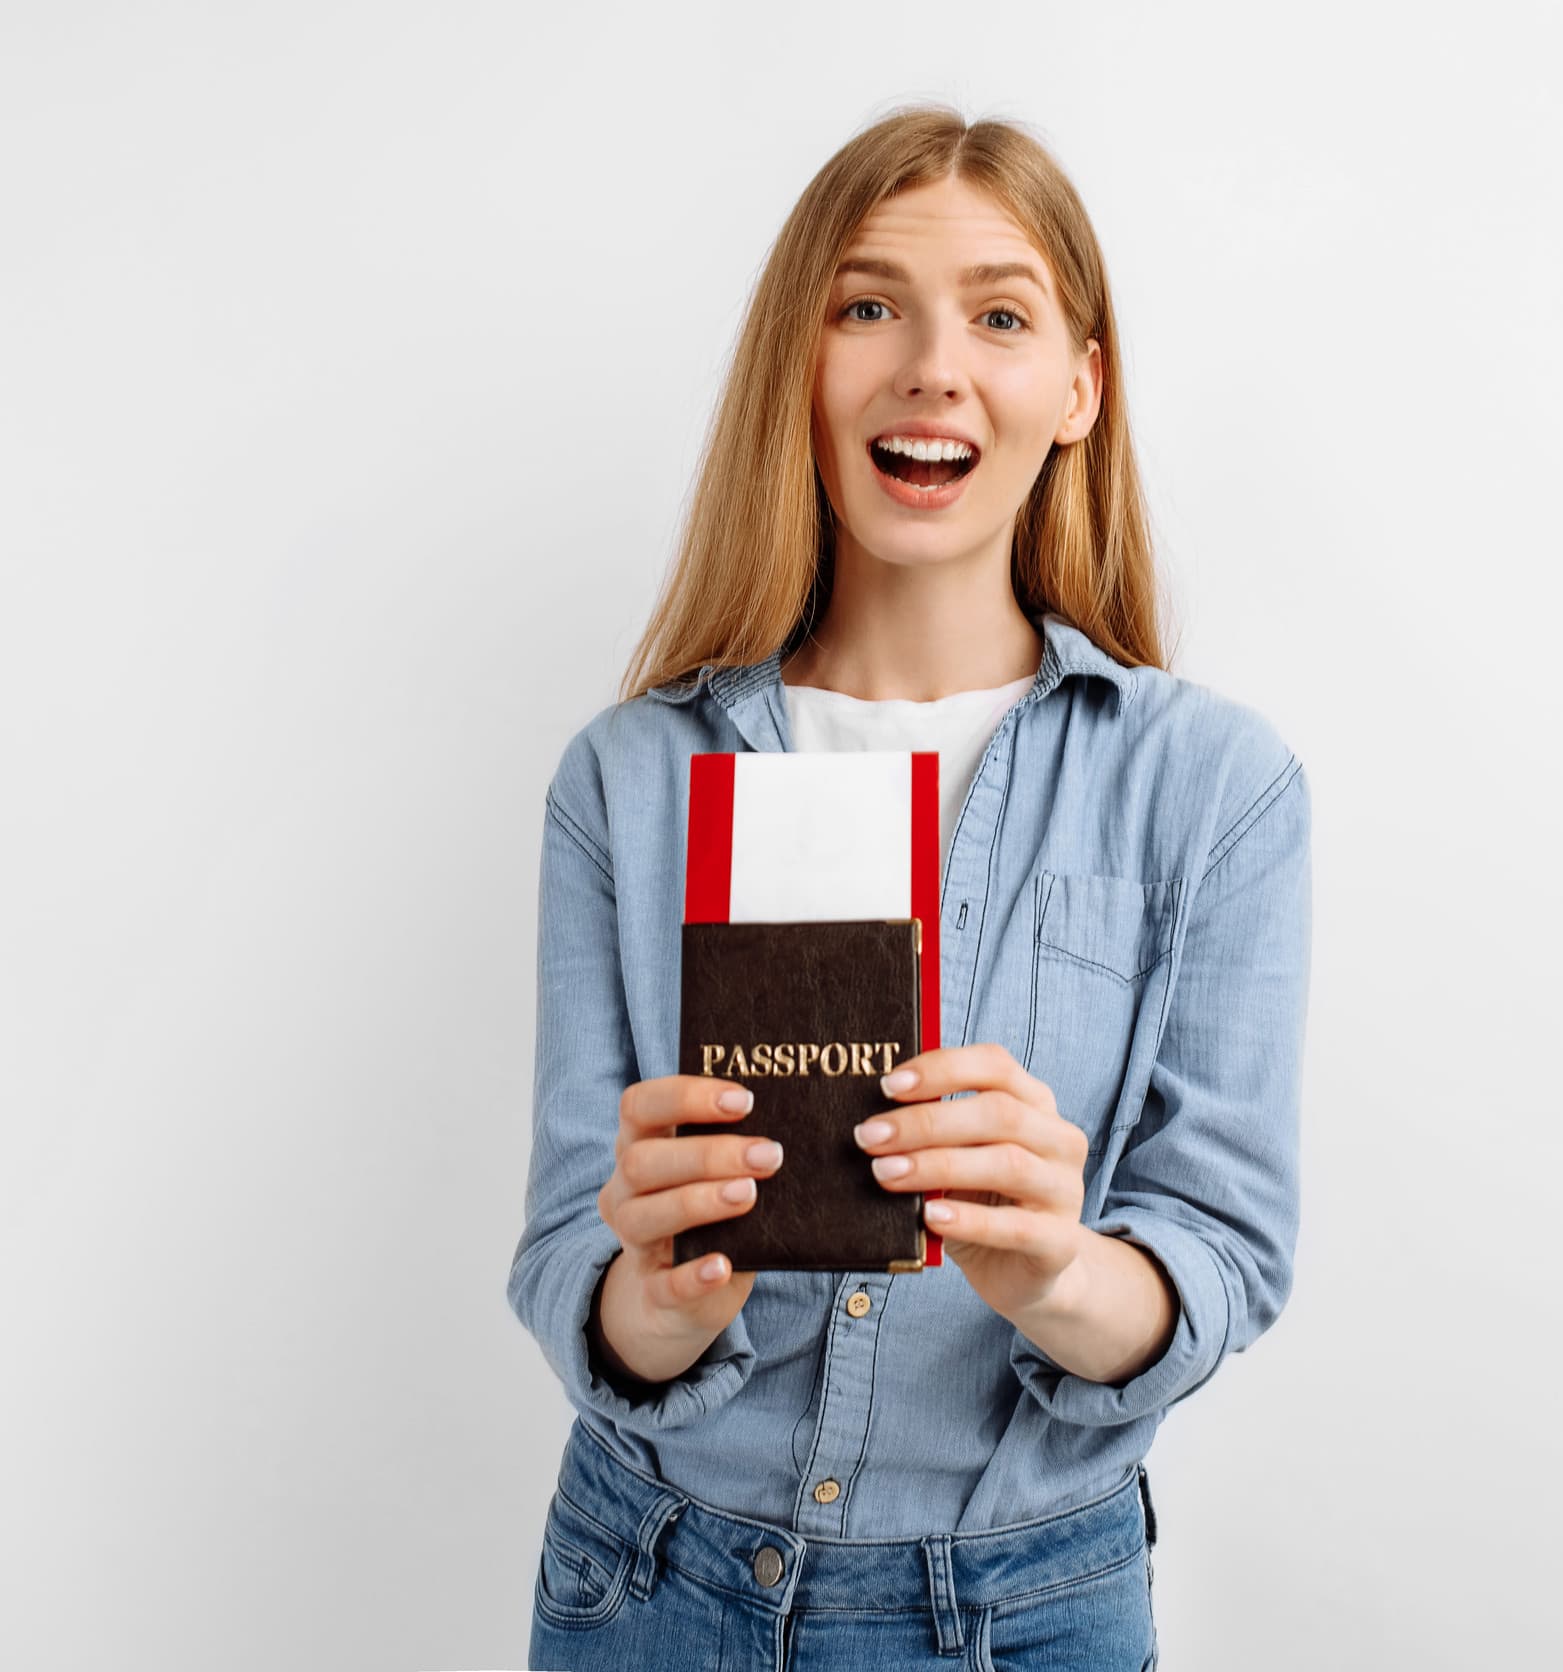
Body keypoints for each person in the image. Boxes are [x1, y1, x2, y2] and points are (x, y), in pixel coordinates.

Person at [508, 102, 1313, 1670]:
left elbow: (1223, 1252)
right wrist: (657, 1303)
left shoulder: (1216, 789)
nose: (933, 367)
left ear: (1078, 389)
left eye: (1000, 317)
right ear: (799, 369)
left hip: (1028, 1608)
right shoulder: (629, 780)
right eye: (867, 307)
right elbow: (563, 1251)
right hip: (649, 1583)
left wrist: (1059, 1271)